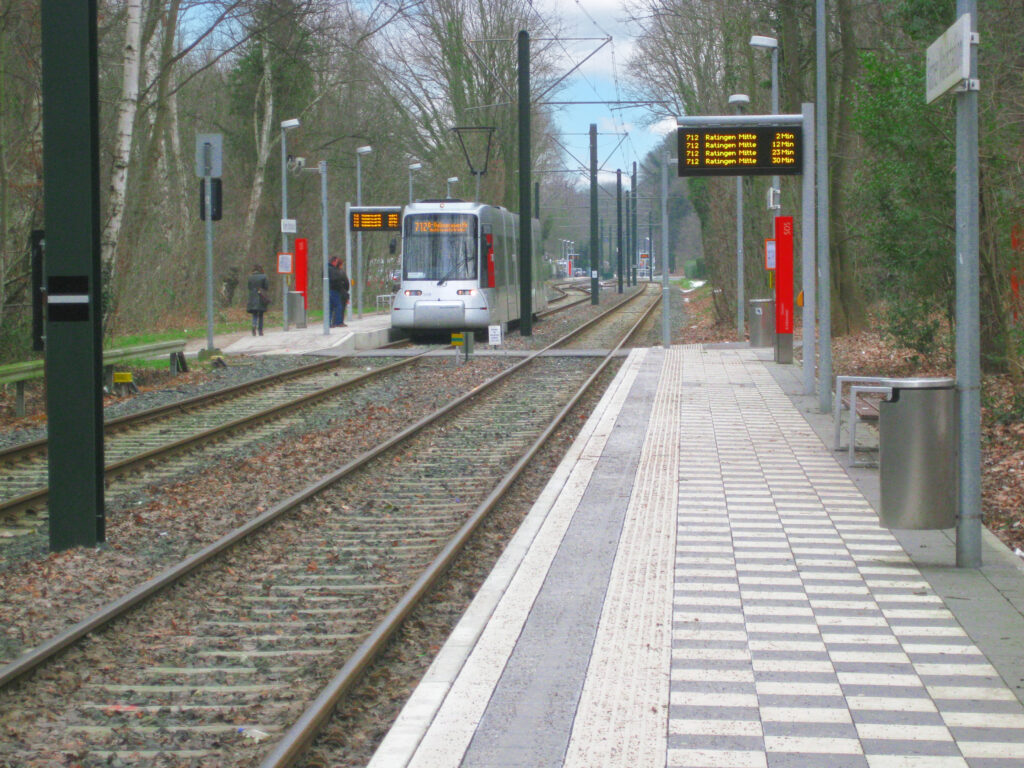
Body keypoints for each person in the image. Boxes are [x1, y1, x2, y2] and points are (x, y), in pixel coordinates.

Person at [247, 264, 270, 336]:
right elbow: (266, 287)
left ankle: (254, 325)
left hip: (252, 297)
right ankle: (260, 330)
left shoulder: (250, 277)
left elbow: (249, 287)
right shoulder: (264, 276)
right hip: (261, 297)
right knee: (261, 314)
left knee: (254, 313)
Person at [328, 257, 350, 327]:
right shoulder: (339, 272)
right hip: (338, 290)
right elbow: (345, 282)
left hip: (335, 290)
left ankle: (333, 322)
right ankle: (338, 322)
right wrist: (345, 290)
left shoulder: (331, 269)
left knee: (332, 307)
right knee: (339, 306)